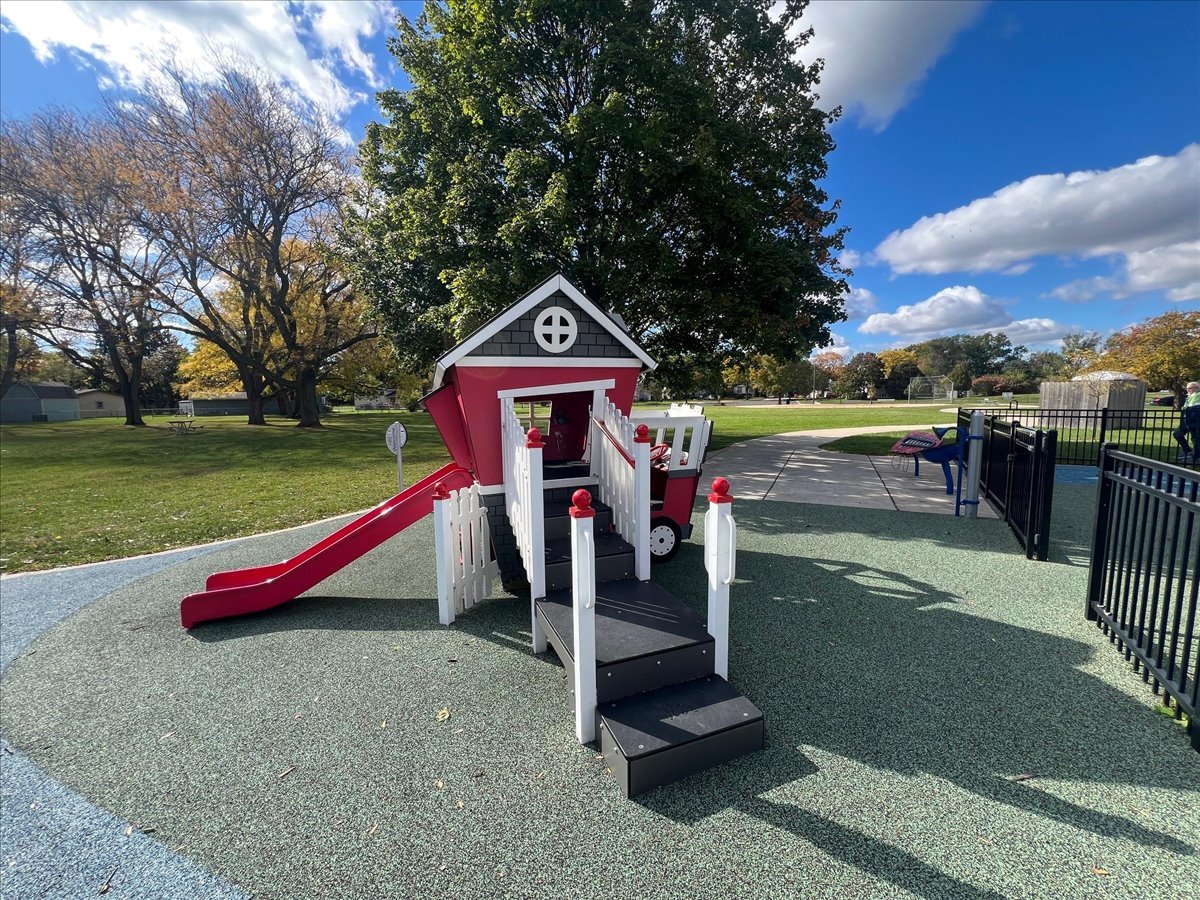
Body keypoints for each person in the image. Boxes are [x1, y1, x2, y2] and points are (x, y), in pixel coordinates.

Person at [1174, 380, 1200, 461]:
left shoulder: (1198, 395)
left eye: (1190, 388)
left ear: (1197, 388)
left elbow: (1195, 407)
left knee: (1195, 439)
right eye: (1187, 388)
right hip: (1186, 421)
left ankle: (1196, 457)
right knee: (1177, 434)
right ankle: (1188, 451)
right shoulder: (1189, 396)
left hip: (1195, 421)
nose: (1188, 390)